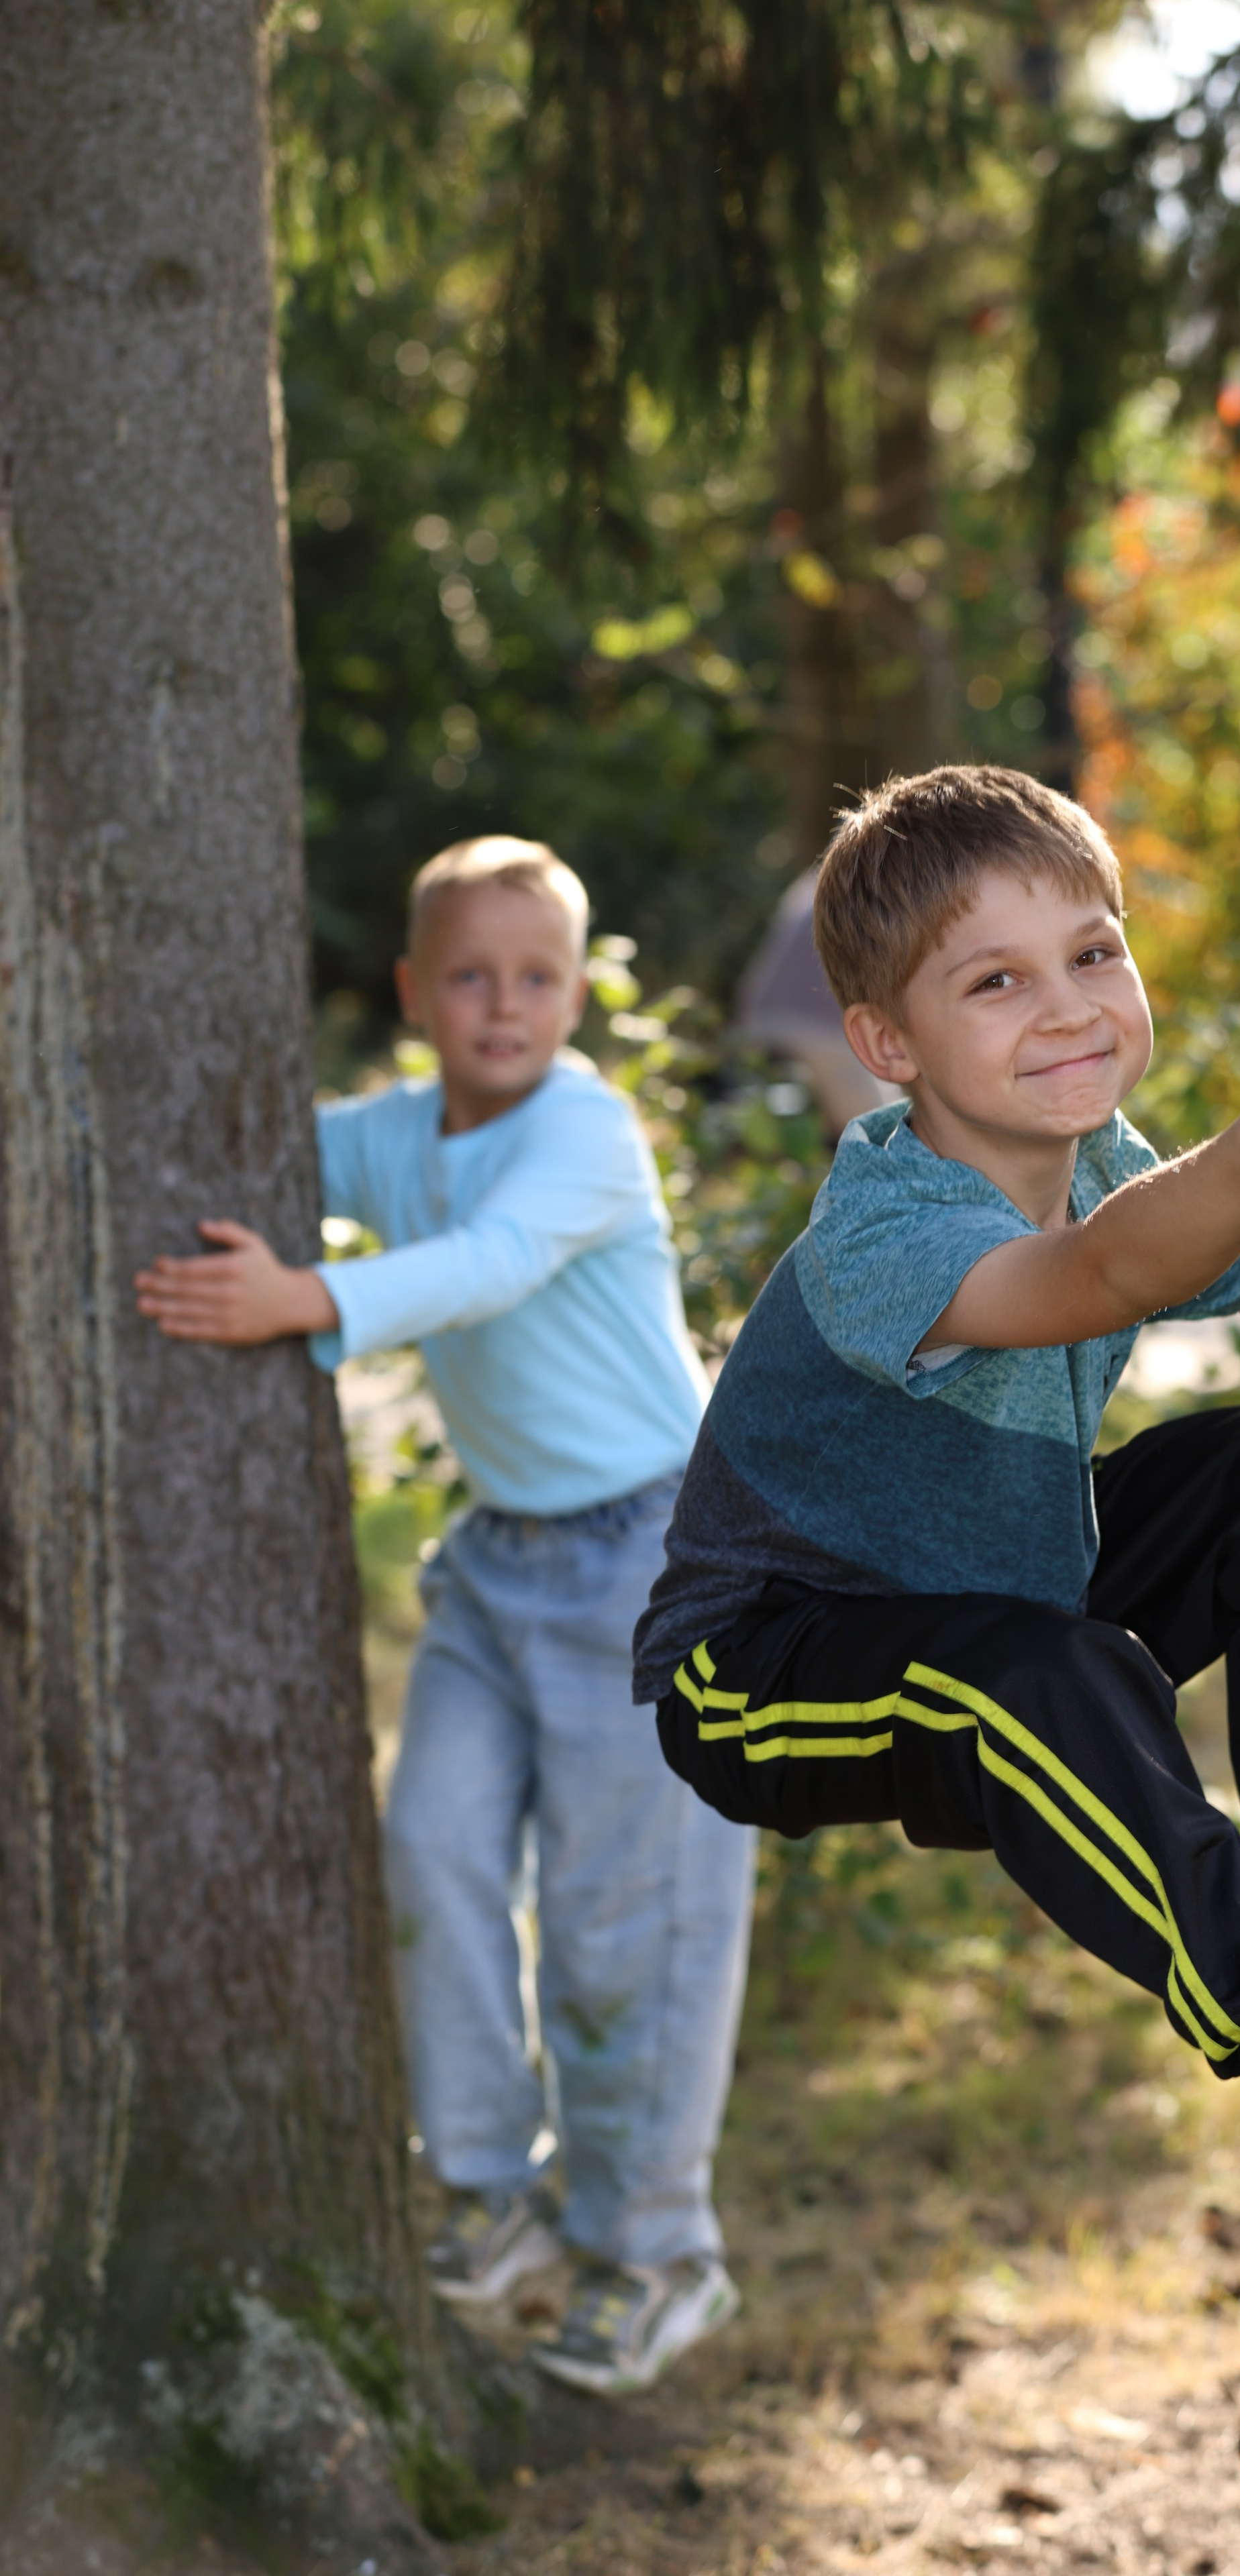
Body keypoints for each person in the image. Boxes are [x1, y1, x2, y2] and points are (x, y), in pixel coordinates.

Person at [634, 768, 1240, 2174]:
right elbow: (1105, 1273)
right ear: (885, 1042)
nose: (1064, 1007)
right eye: (992, 982)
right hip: (765, 1666)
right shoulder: (882, 1227)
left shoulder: (1103, 1166)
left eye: (1092, 954)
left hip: (1011, 1576)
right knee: (1033, 1679)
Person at [135, 835, 757, 2394]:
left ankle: (653, 2252)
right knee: (430, 1852)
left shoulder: (585, 1134)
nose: (502, 1005)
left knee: (628, 1927)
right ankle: (487, 2194)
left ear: (573, 994)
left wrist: (314, 1302)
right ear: (413, 993)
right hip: (496, 1572)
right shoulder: (395, 1134)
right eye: (468, 976)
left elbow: (484, 1270)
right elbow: (241, 1143)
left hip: (653, 1566)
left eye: (535, 977)